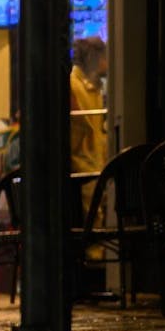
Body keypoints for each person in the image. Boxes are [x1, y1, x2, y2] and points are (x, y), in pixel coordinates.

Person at [69, 37, 108, 222]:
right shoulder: (72, 86)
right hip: (83, 167)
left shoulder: (93, 88)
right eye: (103, 57)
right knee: (93, 221)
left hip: (98, 163)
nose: (107, 62)